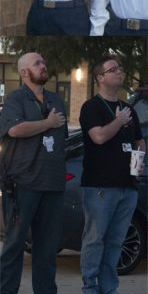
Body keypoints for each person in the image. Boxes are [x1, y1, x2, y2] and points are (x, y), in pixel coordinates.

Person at [0, 53, 68, 294]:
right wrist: (47, 124)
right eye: (37, 63)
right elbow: (15, 130)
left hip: (52, 185)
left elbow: (62, 140)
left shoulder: (55, 100)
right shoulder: (15, 99)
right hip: (22, 183)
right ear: (24, 72)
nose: (44, 65)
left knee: (47, 250)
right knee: (14, 246)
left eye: (43, 61)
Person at [79, 57, 144, 294]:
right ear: (100, 78)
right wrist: (118, 121)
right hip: (100, 186)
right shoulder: (91, 107)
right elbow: (98, 137)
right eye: (113, 69)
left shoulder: (128, 109)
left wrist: (138, 164)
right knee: (95, 239)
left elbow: (139, 139)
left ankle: (109, 287)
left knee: (116, 241)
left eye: (121, 68)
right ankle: (90, 287)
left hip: (127, 186)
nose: (119, 72)